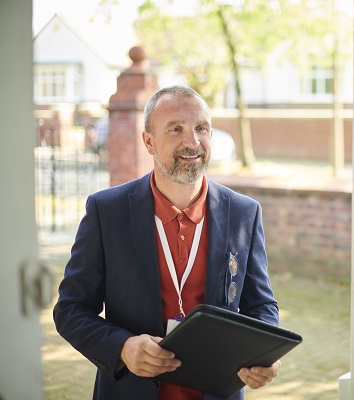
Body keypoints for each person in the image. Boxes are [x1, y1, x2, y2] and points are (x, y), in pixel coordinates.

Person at [54, 85, 280, 400]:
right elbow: (71, 309)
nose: (192, 142)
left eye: (202, 128)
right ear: (149, 141)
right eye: (176, 129)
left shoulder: (244, 213)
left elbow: (261, 305)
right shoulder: (107, 211)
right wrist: (122, 347)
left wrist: (263, 353)